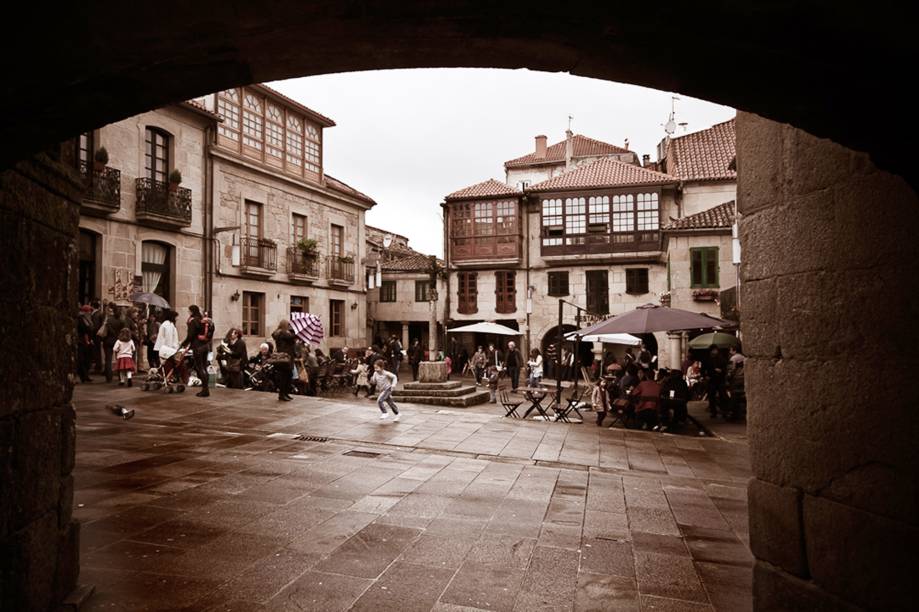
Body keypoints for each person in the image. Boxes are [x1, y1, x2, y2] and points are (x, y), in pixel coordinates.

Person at [180, 305, 212, 398]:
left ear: (192, 311)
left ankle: (205, 390)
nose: (188, 313)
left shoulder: (193, 321)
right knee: (204, 367)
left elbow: (190, 335)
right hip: (205, 346)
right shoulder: (203, 320)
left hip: (197, 347)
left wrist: (184, 343)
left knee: (200, 368)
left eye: (189, 311)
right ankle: (206, 389)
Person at [271, 319, 296, 401]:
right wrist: (297, 332)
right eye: (288, 325)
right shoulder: (283, 333)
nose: (289, 326)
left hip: (285, 357)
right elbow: (291, 337)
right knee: (285, 377)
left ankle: (285, 393)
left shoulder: (279, 332)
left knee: (287, 376)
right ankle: (282, 394)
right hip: (285, 358)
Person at [704, 346, 728, 417]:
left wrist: (721, 371)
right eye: (714, 350)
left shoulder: (721, 359)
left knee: (722, 396)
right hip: (711, 379)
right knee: (712, 396)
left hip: (720, 379)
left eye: (716, 350)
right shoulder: (707, 359)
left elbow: (725, 369)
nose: (715, 352)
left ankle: (724, 411)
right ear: (711, 351)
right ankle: (713, 412)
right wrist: (706, 376)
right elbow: (703, 369)